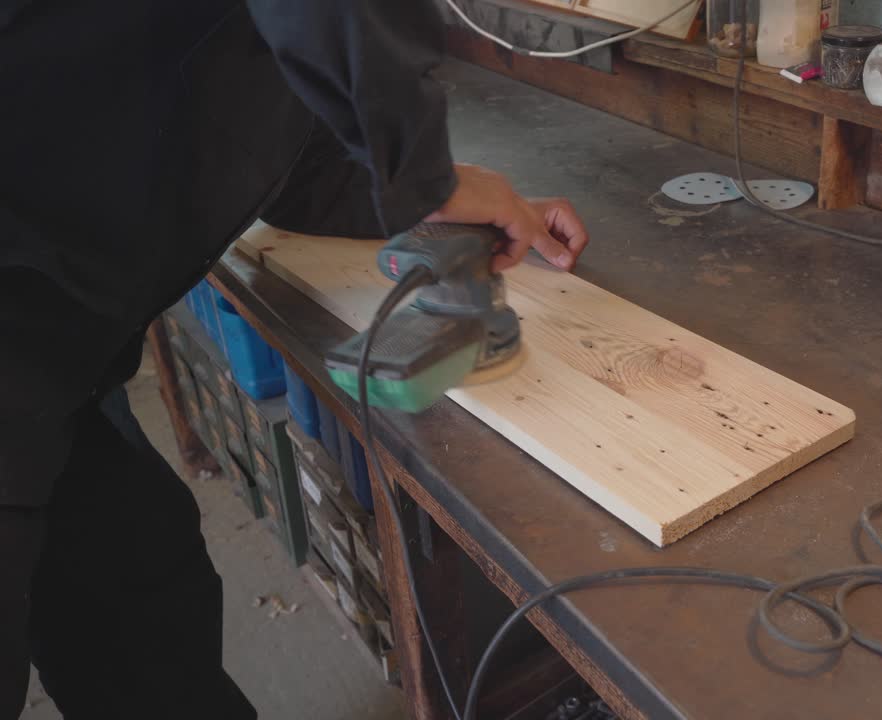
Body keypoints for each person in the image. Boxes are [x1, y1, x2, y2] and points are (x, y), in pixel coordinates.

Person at [0, 1, 589, 717]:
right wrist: (418, 169)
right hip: (27, 325)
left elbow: (289, 157)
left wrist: (423, 190)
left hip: (65, 353)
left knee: (140, 603)